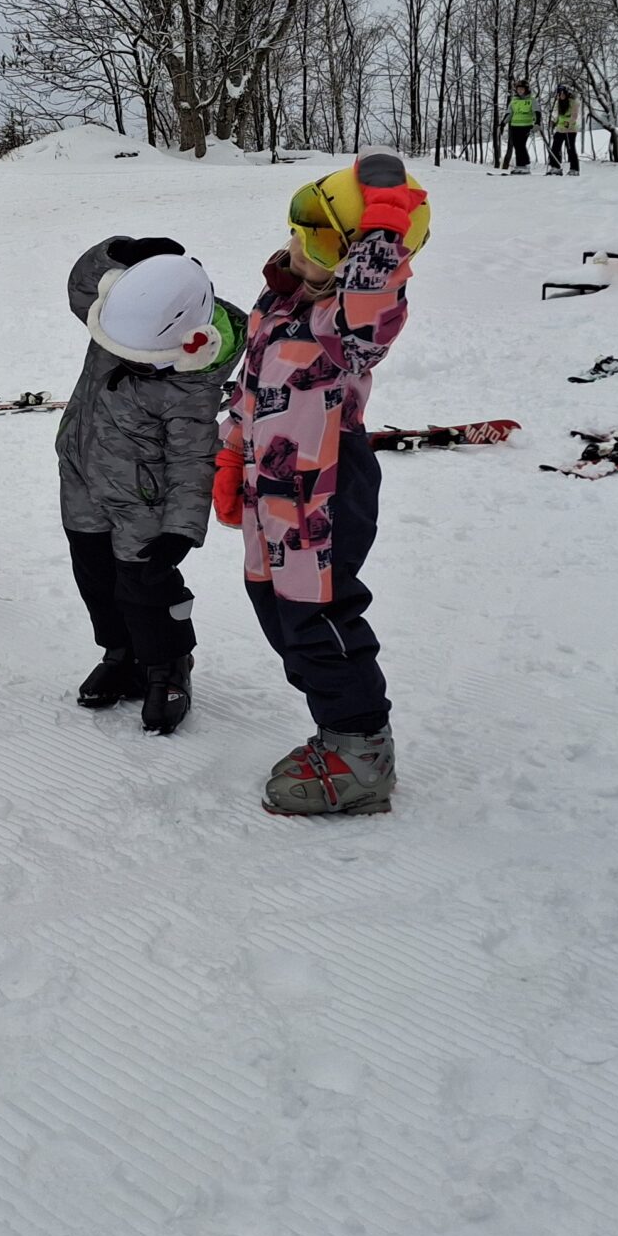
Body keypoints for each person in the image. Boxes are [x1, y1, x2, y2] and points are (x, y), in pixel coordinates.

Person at [216, 154, 429, 814]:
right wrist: (231, 454)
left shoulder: (348, 325)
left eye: (319, 240)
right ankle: (334, 723)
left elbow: (371, 313)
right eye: (297, 229)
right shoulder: (279, 301)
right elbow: (252, 386)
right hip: (271, 485)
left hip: (326, 489)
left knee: (319, 618)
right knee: (274, 608)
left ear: (354, 257)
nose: (298, 247)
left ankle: (361, 750)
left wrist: (382, 241)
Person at [60, 239, 243, 734]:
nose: (124, 359)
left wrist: (181, 529)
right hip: (80, 478)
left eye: (141, 359)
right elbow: (82, 287)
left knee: (145, 586)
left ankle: (168, 664)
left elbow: (193, 460)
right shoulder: (126, 320)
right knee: (95, 576)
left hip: (142, 502)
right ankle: (120, 653)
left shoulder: (191, 384)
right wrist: (119, 254)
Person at [504, 78, 537, 175]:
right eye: (518, 89)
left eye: (522, 89)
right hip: (515, 125)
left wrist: (537, 123)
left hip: (526, 125)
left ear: (526, 89)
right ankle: (519, 165)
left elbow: (536, 112)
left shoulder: (531, 100)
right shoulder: (514, 100)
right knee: (516, 145)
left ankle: (525, 165)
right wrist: (502, 123)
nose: (520, 91)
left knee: (521, 145)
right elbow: (509, 113)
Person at [549, 85, 582, 176]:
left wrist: (568, 123)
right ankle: (555, 167)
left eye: (563, 94)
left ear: (567, 94)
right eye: (559, 94)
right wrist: (554, 122)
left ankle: (574, 168)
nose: (561, 96)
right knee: (555, 148)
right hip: (560, 129)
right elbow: (558, 115)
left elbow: (574, 116)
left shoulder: (573, 102)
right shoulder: (559, 102)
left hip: (570, 130)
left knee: (570, 149)